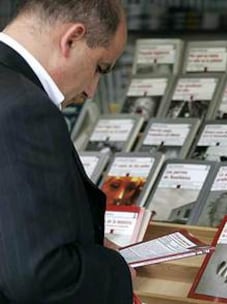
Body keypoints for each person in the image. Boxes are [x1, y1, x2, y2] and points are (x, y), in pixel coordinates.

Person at [0, 1, 136, 303]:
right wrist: (113, 269)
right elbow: (39, 277)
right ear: (71, 39)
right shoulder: (25, 108)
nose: (92, 91)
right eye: (100, 68)